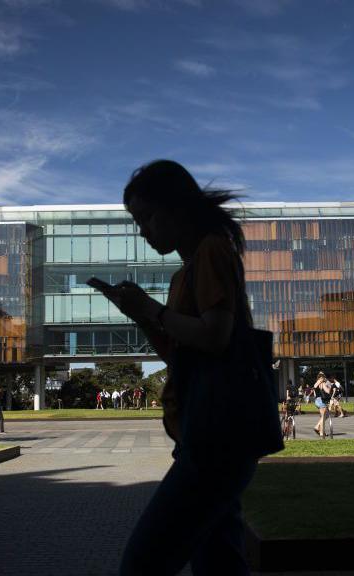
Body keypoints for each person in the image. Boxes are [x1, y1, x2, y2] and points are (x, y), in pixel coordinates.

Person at [106, 160, 273, 575]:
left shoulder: (213, 250)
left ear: (178, 208)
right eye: (137, 221)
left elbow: (216, 335)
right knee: (220, 563)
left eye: (147, 217)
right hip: (208, 434)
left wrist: (151, 308)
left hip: (216, 440)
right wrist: (143, 315)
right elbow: (182, 355)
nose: (143, 230)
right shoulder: (184, 274)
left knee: (143, 563)